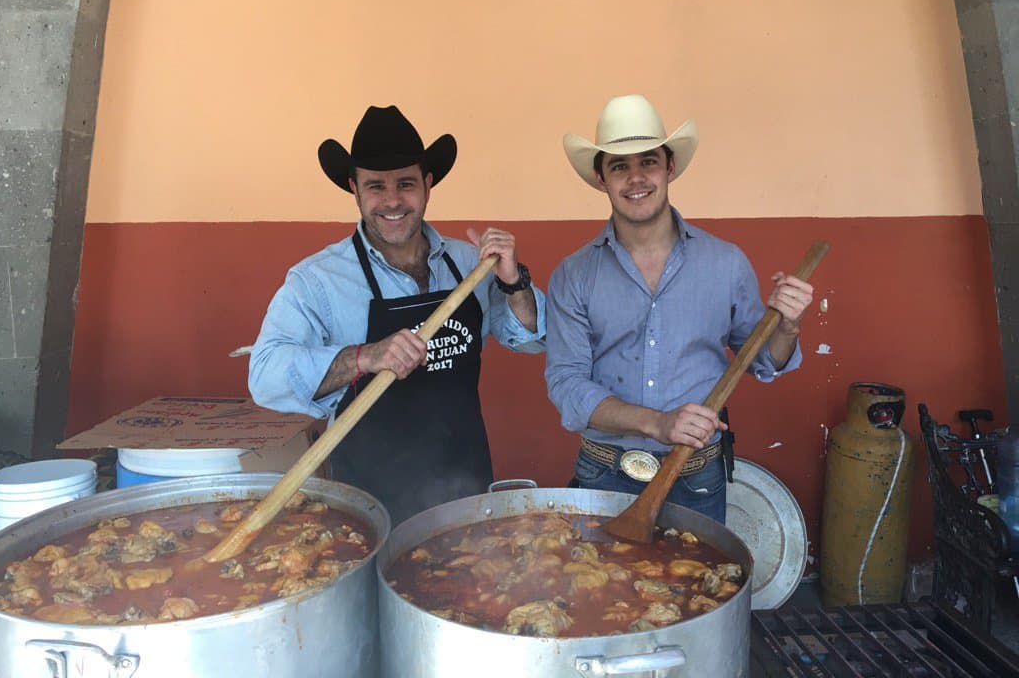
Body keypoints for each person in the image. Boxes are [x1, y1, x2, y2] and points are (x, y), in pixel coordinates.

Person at [249, 105, 546, 524]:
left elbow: (533, 339)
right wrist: (364, 357)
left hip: (464, 495)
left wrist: (514, 281)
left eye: (406, 183)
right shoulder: (317, 281)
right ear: (354, 188)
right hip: (367, 511)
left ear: (427, 184)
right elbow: (264, 376)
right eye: (376, 186)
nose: (392, 201)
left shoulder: (470, 264)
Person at [545, 94, 814, 523]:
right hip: (604, 471)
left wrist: (789, 327)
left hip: (696, 476)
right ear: (601, 179)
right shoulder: (573, 275)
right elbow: (567, 386)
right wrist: (656, 423)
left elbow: (763, 361)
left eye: (648, 161)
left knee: (694, 591)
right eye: (619, 166)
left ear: (669, 167)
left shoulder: (726, 263)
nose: (636, 179)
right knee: (600, 590)